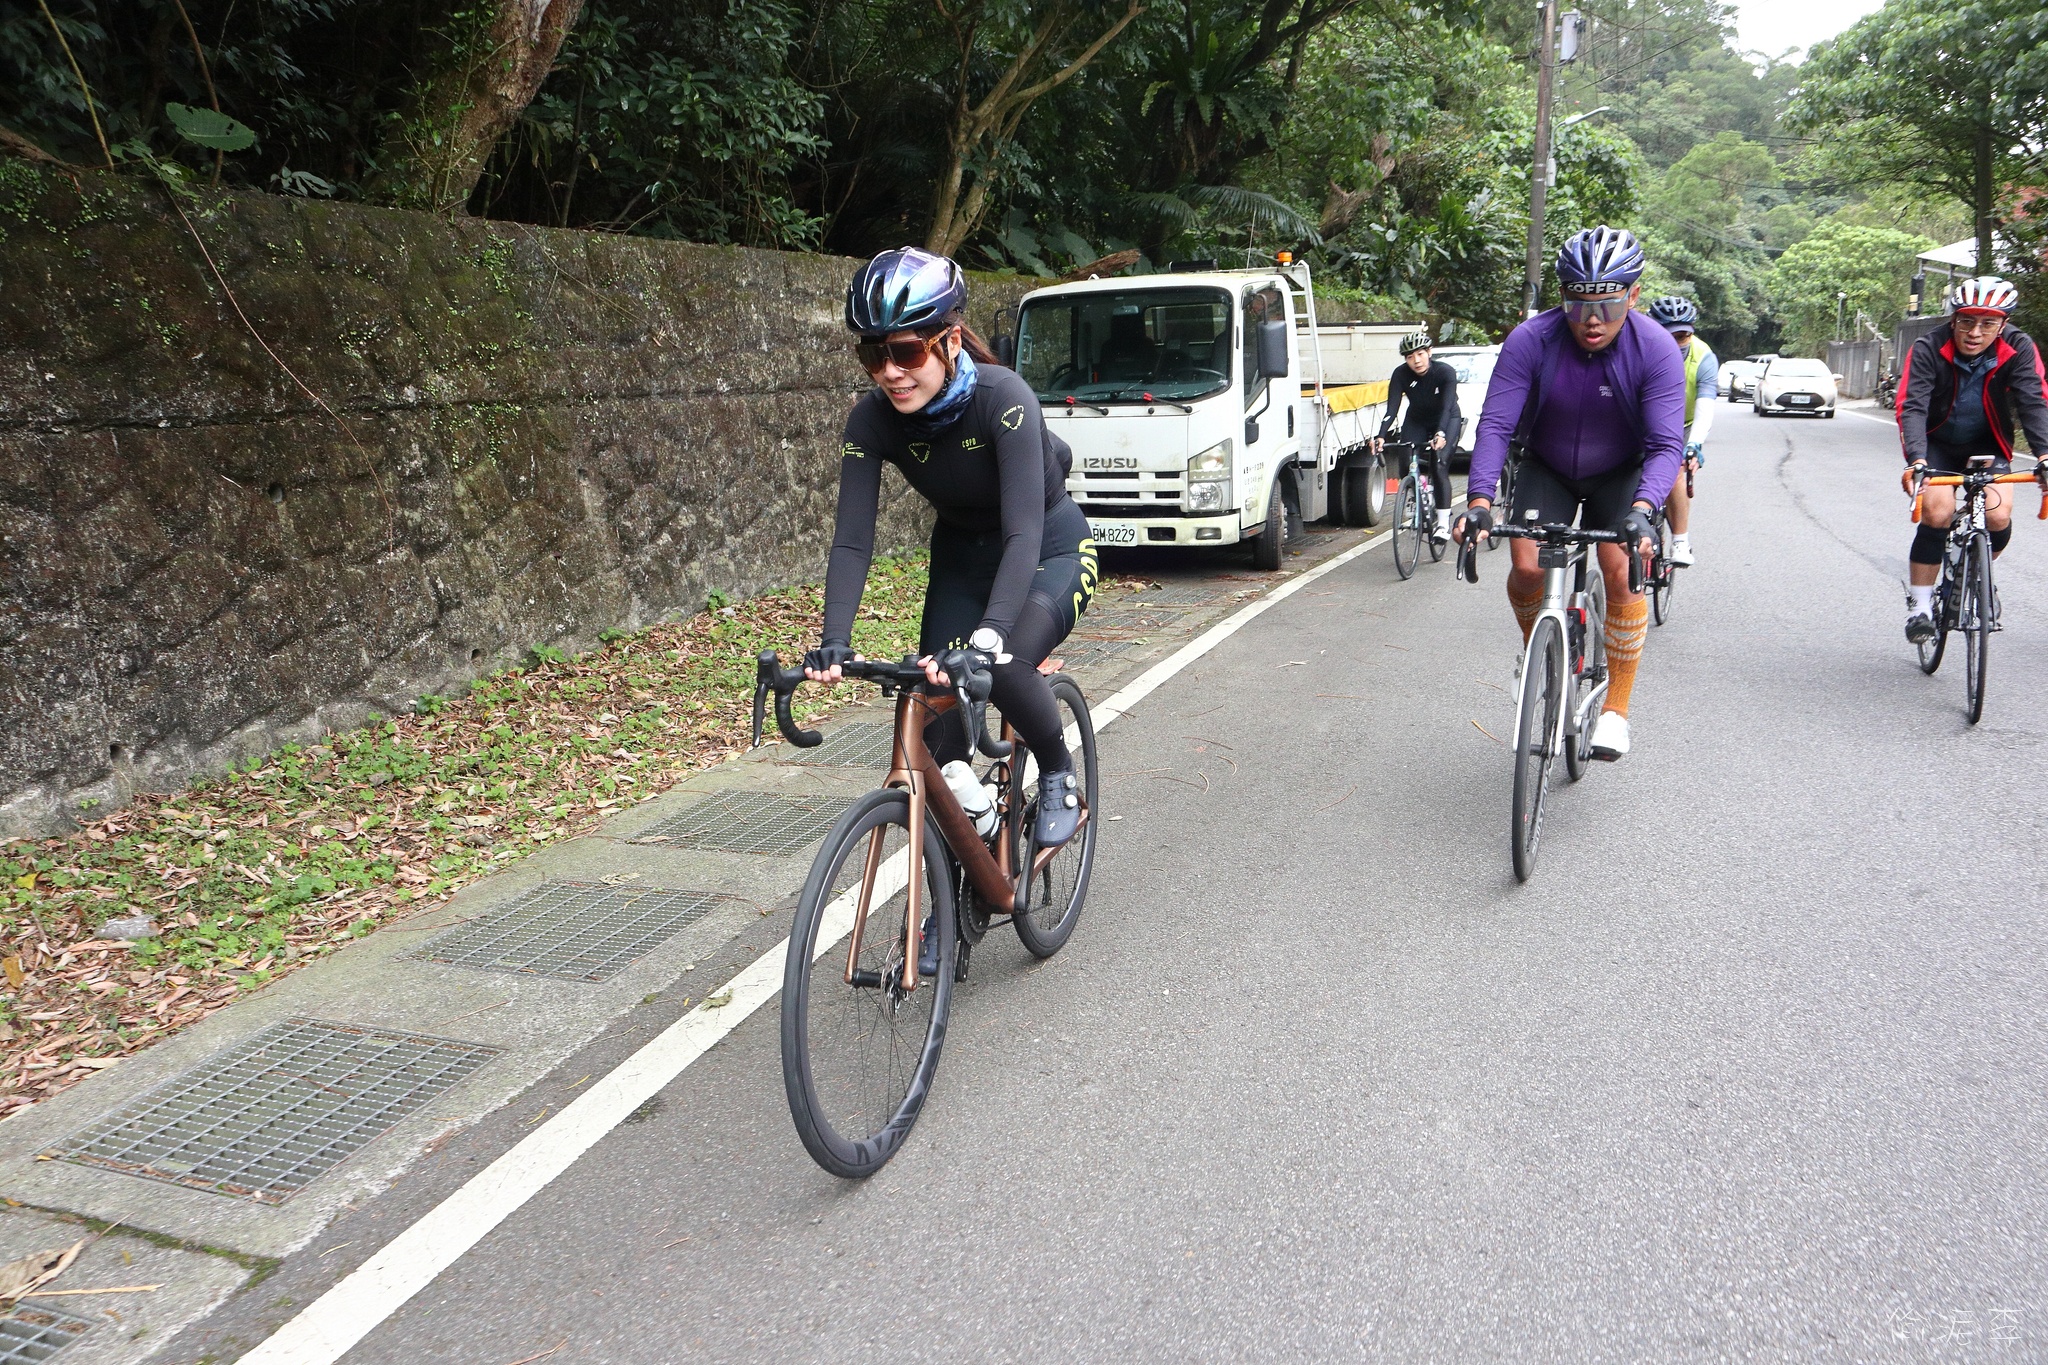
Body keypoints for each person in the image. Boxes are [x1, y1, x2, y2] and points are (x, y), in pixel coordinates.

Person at [805, 247, 1098, 848]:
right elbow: (852, 539)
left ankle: (1058, 771)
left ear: (952, 341)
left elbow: (1023, 533)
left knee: (1006, 662)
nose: (891, 372)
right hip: (962, 561)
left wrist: (989, 637)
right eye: (874, 355)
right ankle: (976, 845)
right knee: (934, 731)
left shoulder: (1004, 398)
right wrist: (835, 639)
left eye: (908, 352)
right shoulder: (870, 421)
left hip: (1049, 551)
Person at [1453, 225, 1686, 760]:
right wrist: (1480, 501)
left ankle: (1616, 711)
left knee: (1622, 569)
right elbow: (1496, 425)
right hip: (1547, 466)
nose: (1592, 320)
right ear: (1562, 297)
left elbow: (1665, 444)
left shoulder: (1655, 348)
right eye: (1578, 305)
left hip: (1621, 472)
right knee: (1528, 566)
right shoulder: (1530, 340)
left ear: (1634, 295)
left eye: (1607, 305)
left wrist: (1645, 509)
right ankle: (1538, 650)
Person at [1897, 275, 2048, 644]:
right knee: (1937, 512)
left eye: (1988, 323)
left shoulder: (2019, 347)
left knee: (1998, 515)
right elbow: (1912, 405)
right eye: (1966, 321)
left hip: (1987, 443)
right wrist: (1917, 460)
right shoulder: (1929, 347)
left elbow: (2033, 401)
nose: (1975, 332)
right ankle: (1920, 607)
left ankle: (1977, 573)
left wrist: (2045, 454)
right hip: (1937, 444)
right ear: (1954, 319)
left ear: (2003, 324)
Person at [1643, 295, 1717, 566]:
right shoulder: (1638, 347)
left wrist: (1694, 445)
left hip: (1681, 425)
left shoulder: (1703, 356)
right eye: (1666, 336)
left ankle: (1680, 540)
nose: (1674, 344)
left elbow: (1705, 407)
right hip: (1643, 421)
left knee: (1674, 468)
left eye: (1682, 337)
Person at [1373, 331, 1462, 544]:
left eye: (1420, 354)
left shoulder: (1445, 372)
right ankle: (1417, 493)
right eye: (1410, 357)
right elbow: (1392, 409)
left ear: (1429, 352)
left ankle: (1443, 524)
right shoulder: (1400, 374)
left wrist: (1440, 433)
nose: (1416, 361)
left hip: (1446, 418)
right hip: (1417, 419)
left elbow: (1447, 406)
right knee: (1405, 461)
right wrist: (1380, 435)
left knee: (1438, 464)